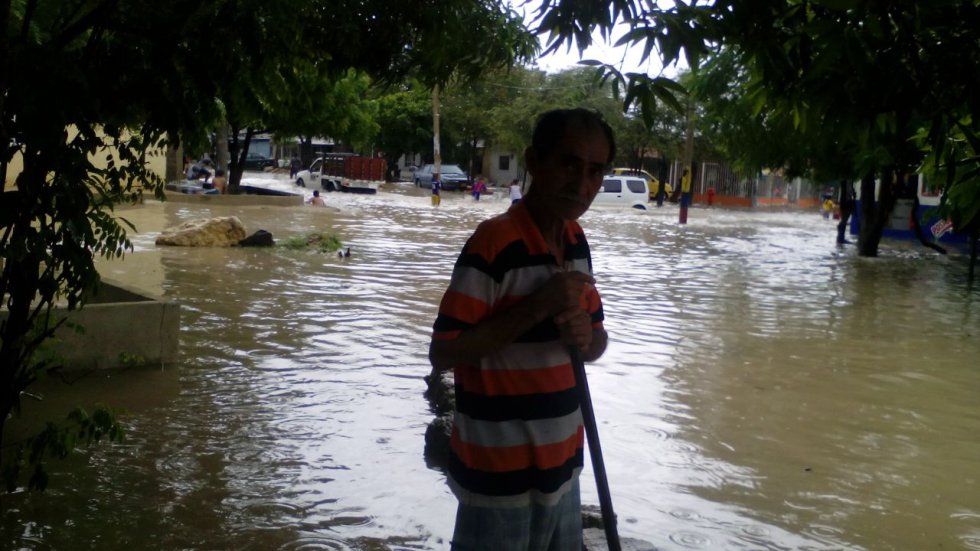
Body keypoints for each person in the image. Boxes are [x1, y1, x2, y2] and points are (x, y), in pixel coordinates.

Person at [429, 108, 612, 550]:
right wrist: (538, 307)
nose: (582, 183)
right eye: (569, 164)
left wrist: (586, 337)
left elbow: (597, 340)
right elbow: (444, 352)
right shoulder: (494, 243)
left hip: (565, 470)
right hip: (497, 480)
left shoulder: (576, 241)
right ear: (535, 161)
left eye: (594, 171)